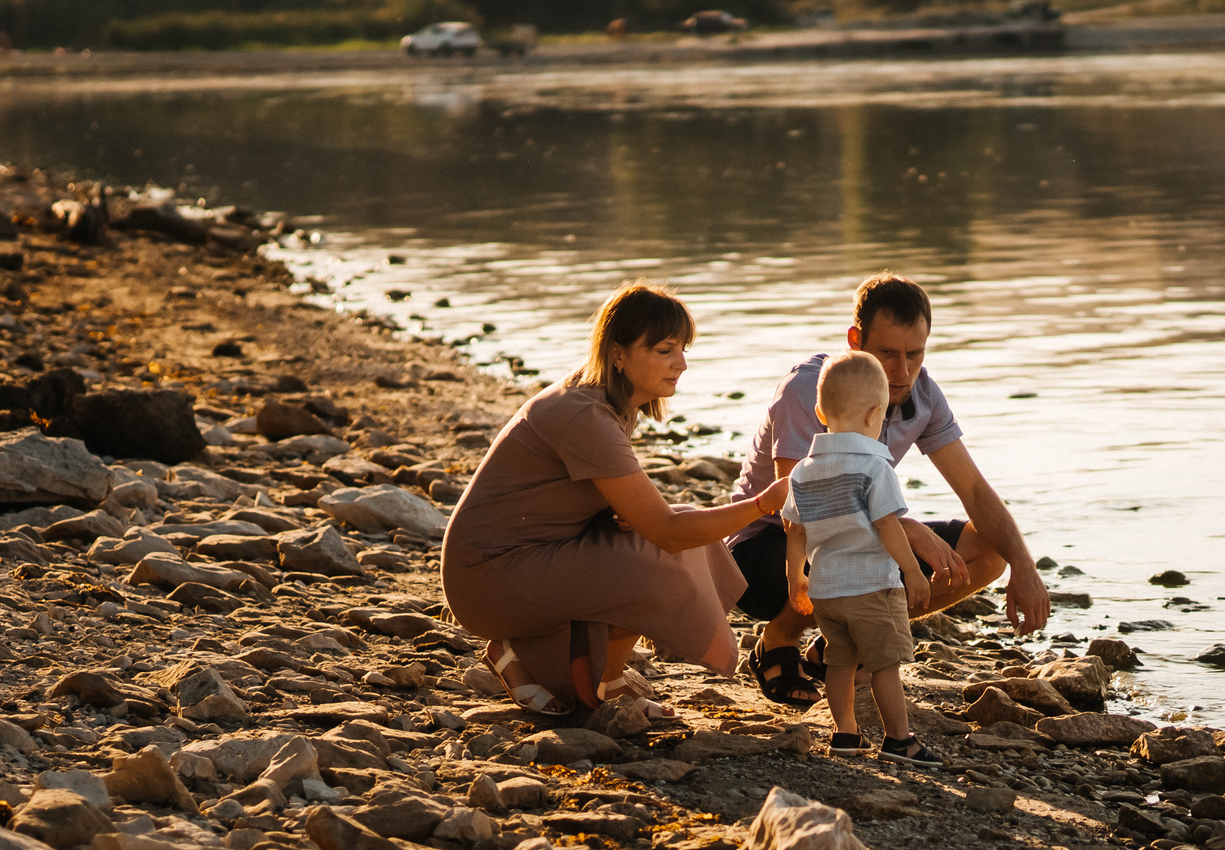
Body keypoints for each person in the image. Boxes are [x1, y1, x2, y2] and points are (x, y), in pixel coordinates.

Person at [441, 281, 786, 714]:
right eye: (664, 350)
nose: (681, 363)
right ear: (618, 354)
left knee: (657, 536)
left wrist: (616, 515)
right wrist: (762, 504)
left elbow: (568, 496)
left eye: (683, 349)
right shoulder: (585, 415)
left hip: (529, 555)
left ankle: (598, 677)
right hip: (487, 577)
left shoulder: (613, 403)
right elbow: (669, 533)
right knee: (659, 555)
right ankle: (545, 658)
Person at [730, 272, 1051, 707]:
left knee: (989, 550)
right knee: (879, 539)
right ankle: (778, 640)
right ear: (855, 340)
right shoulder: (809, 388)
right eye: (887, 354)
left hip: (853, 537)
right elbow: (798, 502)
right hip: (765, 548)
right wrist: (908, 530)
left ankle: (847, 645)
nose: (901, 372)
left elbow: (973, 489)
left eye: (914, 354)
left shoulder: (922, 394)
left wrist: (1024, 566)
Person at [780, 350, 935, 764]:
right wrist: (913, 571)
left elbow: (794, 531)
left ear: (819, 412)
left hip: (828, 592)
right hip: (871, 587)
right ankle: (899, 739)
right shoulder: (874, 468)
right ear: (875, 416)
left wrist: (797, 579)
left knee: (840, 662)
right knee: (885, 665)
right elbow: (888, 525)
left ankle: (845, 734)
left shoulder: (802, 472)